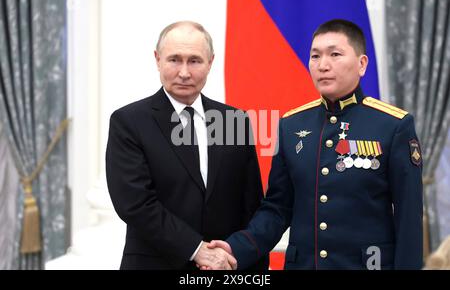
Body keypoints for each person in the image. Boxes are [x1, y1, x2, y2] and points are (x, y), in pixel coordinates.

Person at [203, 19, 423, 270]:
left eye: (335, 54)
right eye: (315, 56)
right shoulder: (291, 125)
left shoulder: (393, 126)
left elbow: (409, 219)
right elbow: (277, 208)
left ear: (362, 64)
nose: (323, 65)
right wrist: (236, 248)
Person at [106, 21, 268, 270]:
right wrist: (196, 249)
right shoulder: (129, 121)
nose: (184, 72)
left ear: (210, 62)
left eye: (194, 61)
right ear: (157, 59)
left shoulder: (234, 120)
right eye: (174, 60)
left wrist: (246, 263)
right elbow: (135, 204)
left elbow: (251, 205)